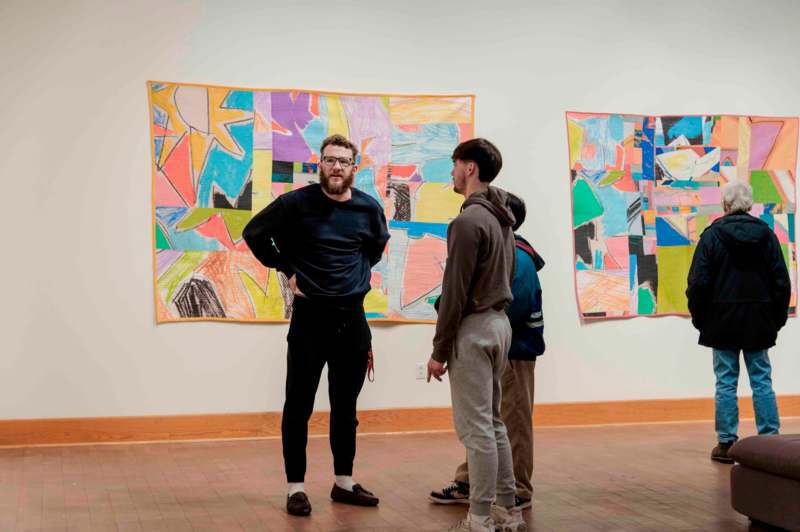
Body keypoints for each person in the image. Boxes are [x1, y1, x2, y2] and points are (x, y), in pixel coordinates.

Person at [242, 134, 390, 516]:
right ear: (319, 164)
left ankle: (344, 482)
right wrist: (288, 269)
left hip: (352, 322)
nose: (336, 166)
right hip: (309, 322)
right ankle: (296, 488)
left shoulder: (368, 209)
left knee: (346, 407)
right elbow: (254, 234)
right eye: (329, 160)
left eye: (343, 161)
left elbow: (374, 249)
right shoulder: (297, 203)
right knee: (298, 406)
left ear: (354, 167)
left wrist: (351, 277)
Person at [426, 138, 527, 532]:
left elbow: (455, 292)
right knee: (494, 423)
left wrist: (439, 349)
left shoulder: (468, 221)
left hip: (474, 328)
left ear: (469, 168)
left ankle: (480, 518)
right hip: (500, 325)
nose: (451, 172)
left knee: (477, 429)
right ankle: (507, 511)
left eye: (454, 165)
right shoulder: (501, 218)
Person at [430, 192, 545, 511]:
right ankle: (469, 481)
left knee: (513, 421)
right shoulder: (500, 252)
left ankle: (518, 489)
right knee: (483, 418)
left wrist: (468, 320)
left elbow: (508, 304)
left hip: (514, 351)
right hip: (493, 347)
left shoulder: (517, 258)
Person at [686, 180, 790, 464]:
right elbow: (781, 282)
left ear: (725, 205)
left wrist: (701, 319)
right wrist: (776, 319)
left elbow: (698, 283)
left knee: (725, 382)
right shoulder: (767, 236)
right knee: (761, 380)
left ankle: (726, 443)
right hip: (758, 319)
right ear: (750, 205)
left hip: (721, 320)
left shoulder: (711, 237)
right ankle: (770, 439)